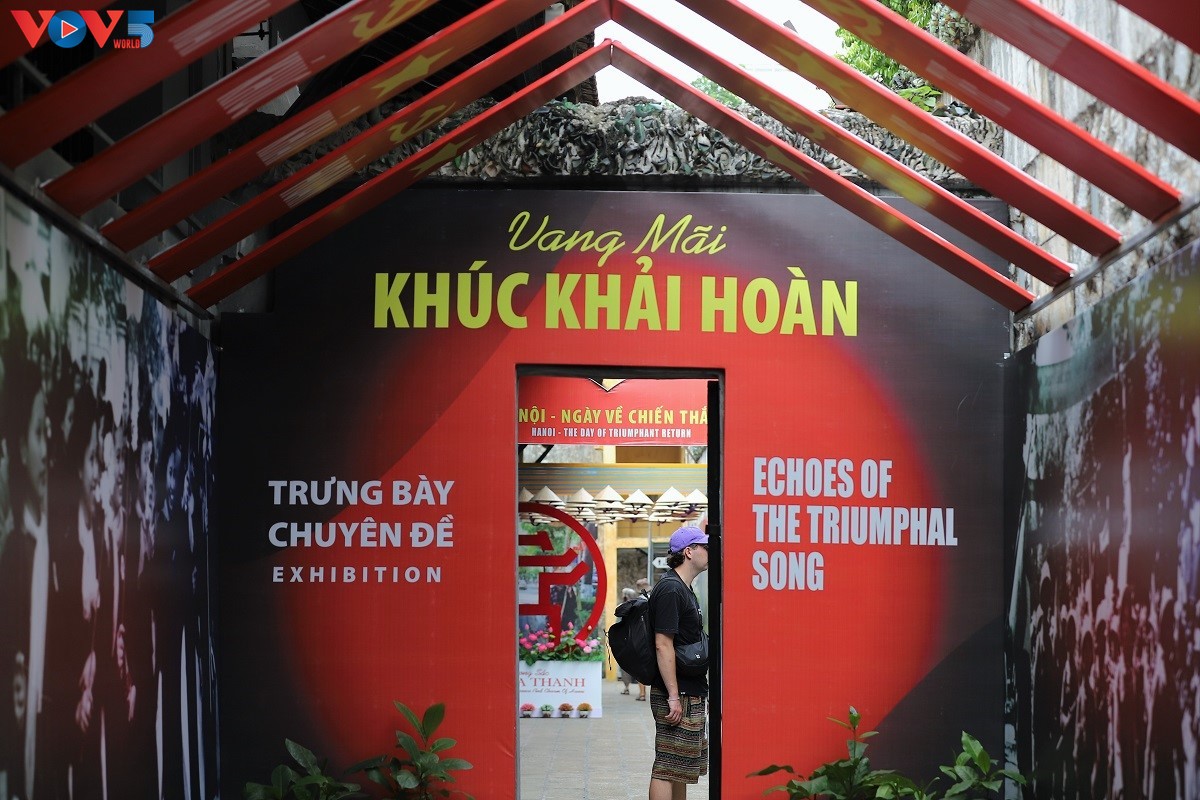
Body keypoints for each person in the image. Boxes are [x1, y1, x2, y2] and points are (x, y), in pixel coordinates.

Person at [647, 525, 710, 800]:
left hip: (688, 688)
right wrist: (673, 695)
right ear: (689, 552)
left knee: (680, 767)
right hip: (676, 691)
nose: (709, 552)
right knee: (667, 765)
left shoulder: (683, 588)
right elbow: (663, 644)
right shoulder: (671, 589)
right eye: (705, 547)